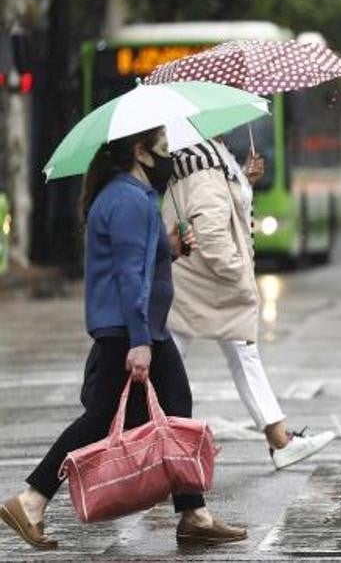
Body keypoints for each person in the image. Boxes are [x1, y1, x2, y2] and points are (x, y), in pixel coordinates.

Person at [1, 127, 247, 550]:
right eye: (165, 150)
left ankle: (194, 513)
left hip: (141, 327)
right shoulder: (129, 200)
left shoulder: (127, 197)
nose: (170, 158)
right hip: (130, 330)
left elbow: (136, 260)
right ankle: (32, 499)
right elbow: (130, 277)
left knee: (175, 408)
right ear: (141, 152)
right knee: (99, 422)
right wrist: (139, 342)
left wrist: (168, 247)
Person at [164, 137, 336, 469]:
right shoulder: (203, 163)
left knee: (221, 356)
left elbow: (218, 206)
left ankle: (279, 440)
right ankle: (155, 449)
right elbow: (212, 234)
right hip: (209, 284)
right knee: (178, 363)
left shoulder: (206, 156)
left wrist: (243, 178)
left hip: (195, 282)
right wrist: (240, 274)